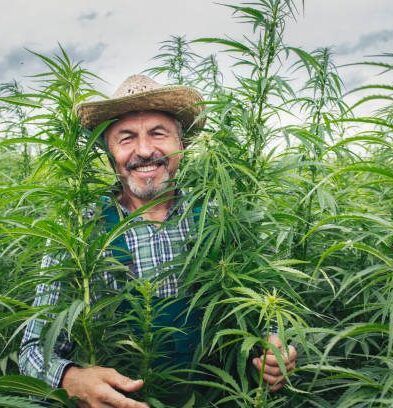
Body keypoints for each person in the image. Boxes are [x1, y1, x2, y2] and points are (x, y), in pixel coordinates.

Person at [19, 75, 297, 408]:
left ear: (182, 144)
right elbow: (34, 350)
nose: (145, 150)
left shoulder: (221, 217)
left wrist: (273, 346)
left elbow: (261, 312)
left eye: (158, 133)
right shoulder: (80, 231)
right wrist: (71, 379)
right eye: (126, 138)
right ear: (109, 152)